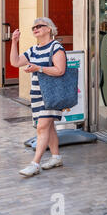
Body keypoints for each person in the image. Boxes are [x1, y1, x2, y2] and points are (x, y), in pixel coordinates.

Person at [10, 18, 66, 177]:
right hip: (37, 94)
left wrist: (38, 68)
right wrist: (14, 42)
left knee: (42, 127)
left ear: (49, 29)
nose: (35, 29)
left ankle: (35, 164)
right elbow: (15, 62)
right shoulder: (34, 49)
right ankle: (56, 157)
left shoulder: (56, 47)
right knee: (48, 127)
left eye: (39, 26)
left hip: (52, 95)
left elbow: (60, 70)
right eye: (33, 27)